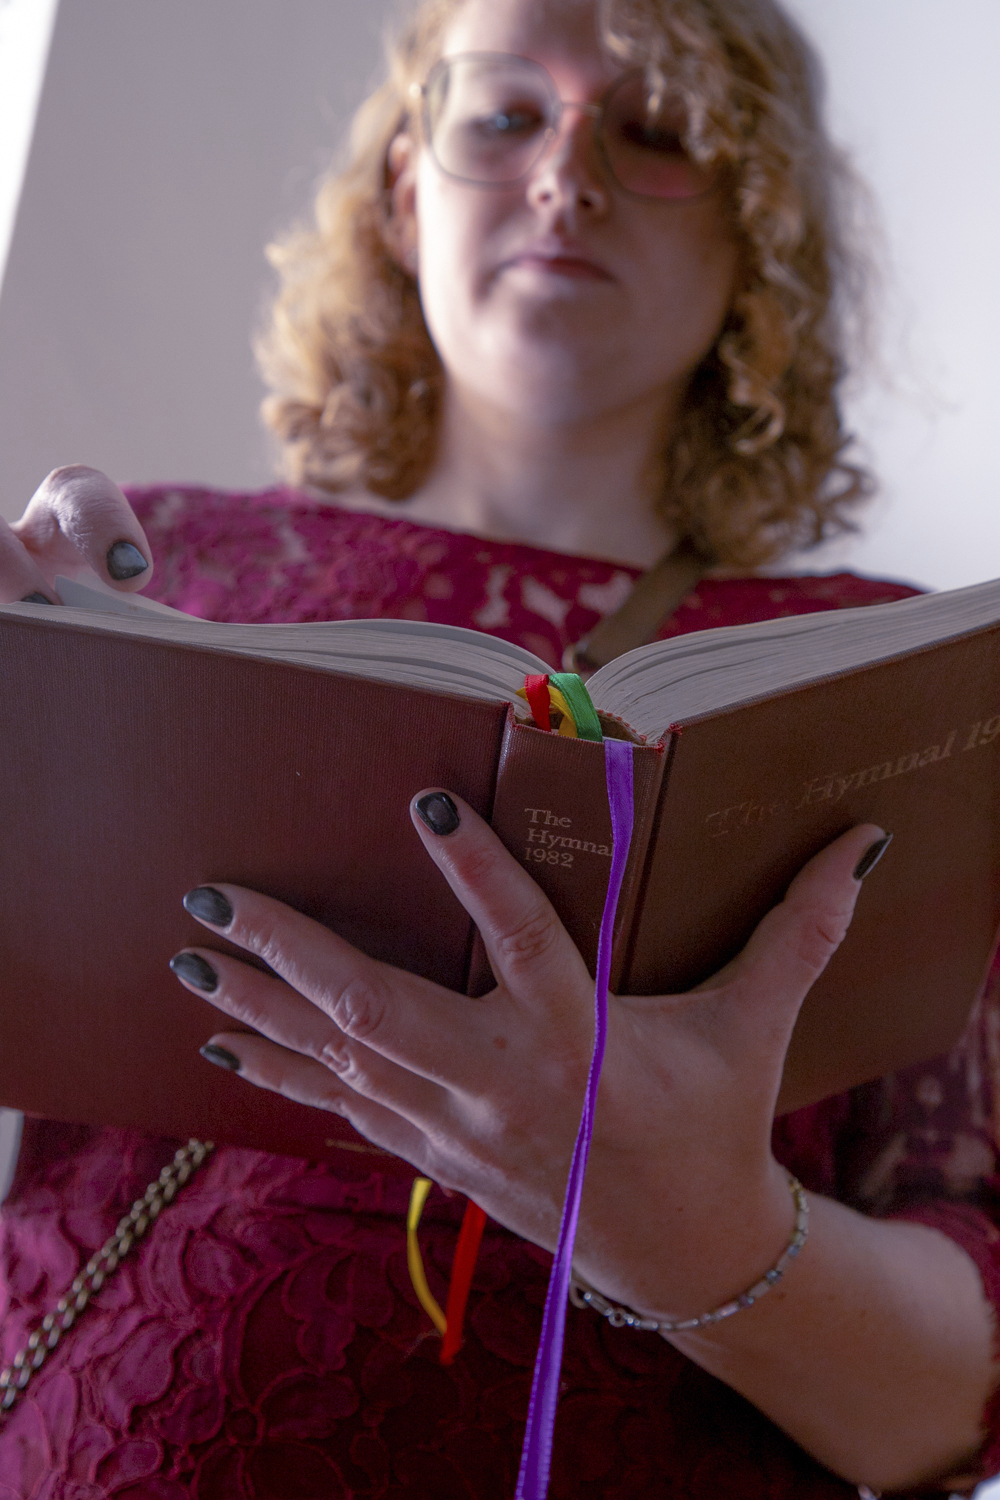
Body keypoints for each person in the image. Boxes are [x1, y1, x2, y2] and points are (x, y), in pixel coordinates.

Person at [0, 0, 997, 1495]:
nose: (567, 175)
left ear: (760, 235)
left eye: (657, 128)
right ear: (407, 190)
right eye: (506, 114)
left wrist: (694, 1233)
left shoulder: (888, 673)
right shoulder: (159, 560)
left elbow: (945, 1409)